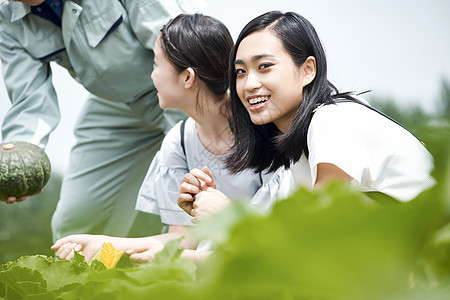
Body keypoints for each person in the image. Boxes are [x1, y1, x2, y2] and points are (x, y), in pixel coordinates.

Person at [51, 13, 292, 263]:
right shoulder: (179, 142)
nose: (152, 76)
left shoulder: (267, 127)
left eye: (156, 65)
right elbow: (183, 240)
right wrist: (105, 244)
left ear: (187, 77)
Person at [179, 10, 436, 222]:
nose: (249, 85)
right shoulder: (302, 157)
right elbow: (284, 241)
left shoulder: (331, 121)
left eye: (264, 66)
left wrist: (228, 217)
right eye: (240, 72)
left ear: (308, 70)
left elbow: (316, 234)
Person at [0, 0, 206, 239]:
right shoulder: (7, 19)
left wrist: (182, 144)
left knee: (192, 207)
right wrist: (17, 166)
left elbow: (183, 52)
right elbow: (28, 100)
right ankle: (97, 276)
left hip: (183, 88)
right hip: (115, 104)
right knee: (77, 224)